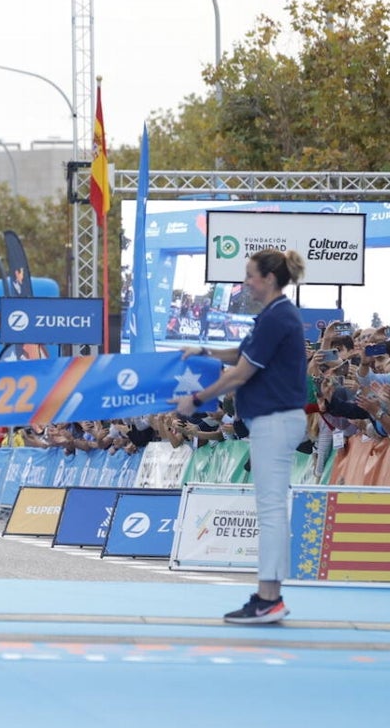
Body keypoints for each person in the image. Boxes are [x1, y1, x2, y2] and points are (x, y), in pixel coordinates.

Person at [173, 249, 307, 624]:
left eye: (250, 275)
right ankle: (268, 595)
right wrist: (203, 349)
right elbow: (240, 353)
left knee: (271, 512)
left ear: (268, 278)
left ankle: (270, 597)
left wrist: (197, 398)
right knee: (271, 510)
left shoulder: (277, 317)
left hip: (275, 420)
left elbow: (240, 372)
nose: (245, 282)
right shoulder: (271, 316)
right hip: (272, 420)